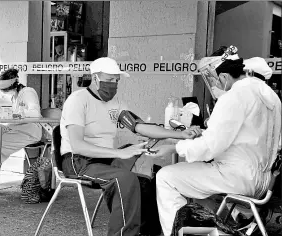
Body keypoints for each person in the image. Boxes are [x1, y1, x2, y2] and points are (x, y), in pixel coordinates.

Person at [60, 57, 198, 236]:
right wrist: (120, 152)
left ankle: (149, 232)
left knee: (148, 176)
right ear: (95, 78)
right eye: (109, 80)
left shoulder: (116, 104)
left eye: (117, 81)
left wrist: (180, 134)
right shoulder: (77, 100)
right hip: (77, 160)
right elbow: (77, 145)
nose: (114, 85)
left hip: (105, 160)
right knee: (124, 179)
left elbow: (140, 127)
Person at [147, 58, 281, 236]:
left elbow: (210, 146)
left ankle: (178, 233)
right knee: (201, 187)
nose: (216, 85)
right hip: (265, 182)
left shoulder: (235, 95)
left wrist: (174, 148)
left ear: (225, 77)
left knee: (166, 177)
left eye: (216, 80)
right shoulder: (273, 98)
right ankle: (212, 228)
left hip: (237, 177)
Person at [0, 68, 43, 194]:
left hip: (29, 131)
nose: (3, 93)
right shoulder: (13, 96)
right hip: (15, 128)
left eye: (4, 90)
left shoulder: (28, 92)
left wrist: (15, 114)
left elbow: (35, 113)